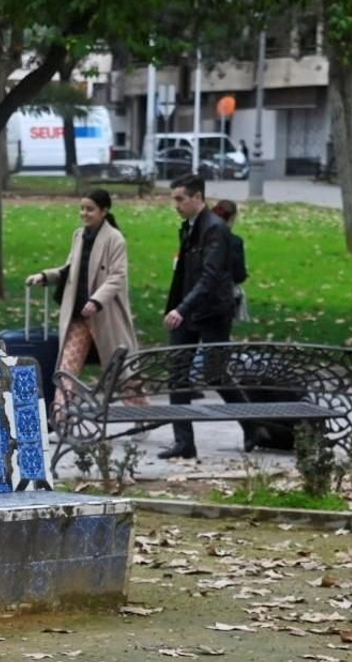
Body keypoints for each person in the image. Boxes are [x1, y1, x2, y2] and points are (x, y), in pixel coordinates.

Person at [25, 188, 142, 418]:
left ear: (104, 211)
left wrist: (96, 301)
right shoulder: (79, 235)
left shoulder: (115, 239)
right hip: (78, 315)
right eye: (82, 209)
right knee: (67, 368)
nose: (84, 213)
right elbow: (70, 269)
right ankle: (61, 417)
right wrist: (45, 276)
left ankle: (141, 414)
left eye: (90, 209)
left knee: (119, 371)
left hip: (104, 316)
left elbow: (117, 276)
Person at [160, 174, 248, 459]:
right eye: (174, 198)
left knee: (216, 374)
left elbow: (209, 277)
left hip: (212, 312)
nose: (176, 204)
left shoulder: (215, 229)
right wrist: (176, 308)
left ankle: (254, 424)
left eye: (180, 199)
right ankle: (184, 442)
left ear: (197, 197)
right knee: (177, 373)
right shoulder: (189, 227)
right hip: (188, 310)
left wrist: (181, 309)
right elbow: (184, 274)